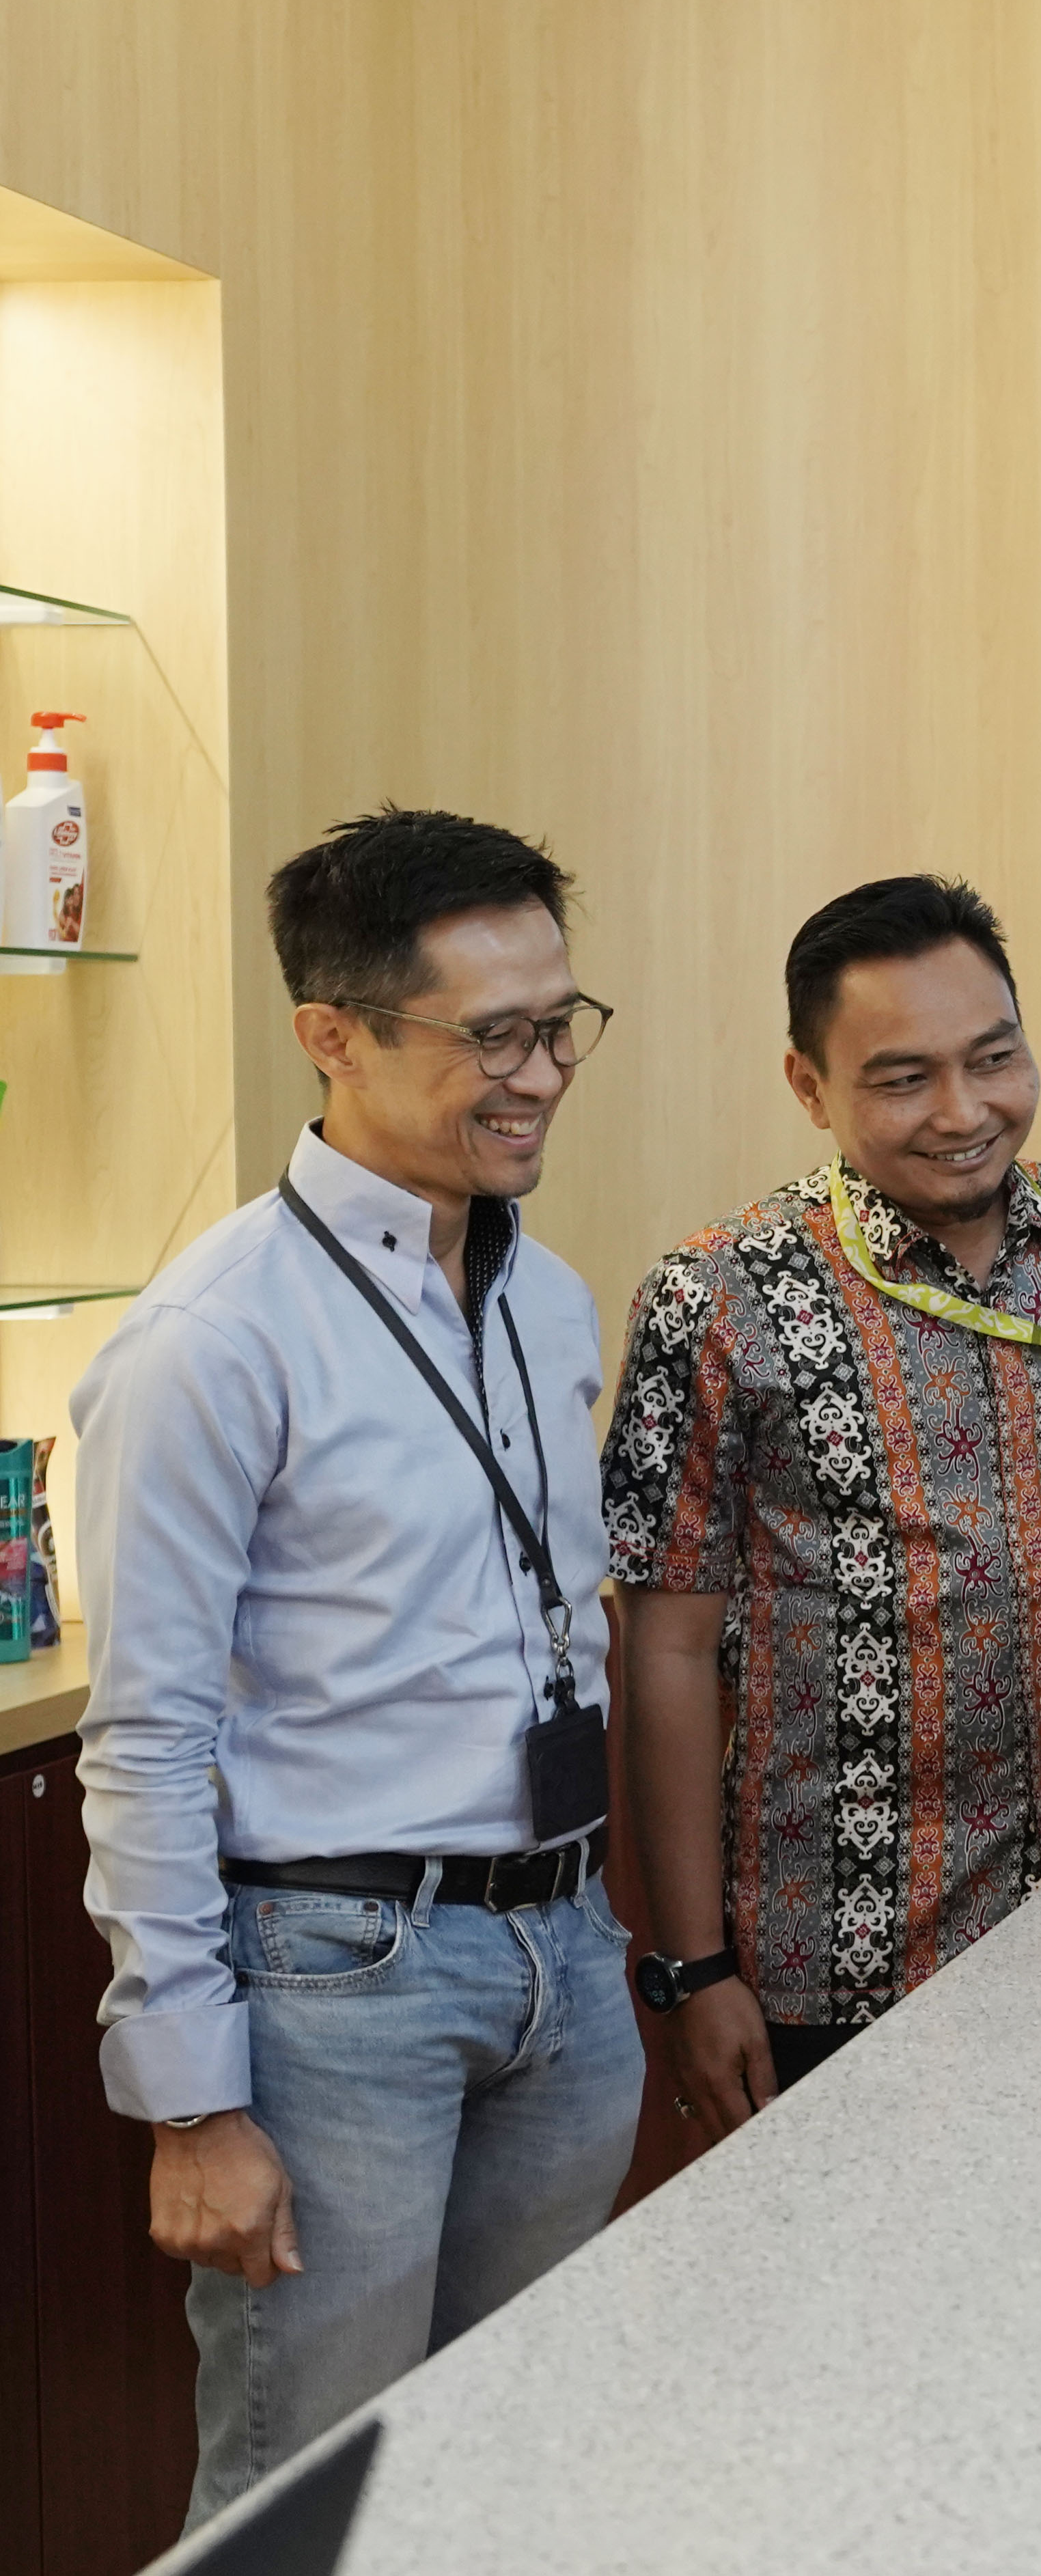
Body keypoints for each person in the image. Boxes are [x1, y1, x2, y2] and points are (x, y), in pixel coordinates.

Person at [72, 809, 638, 2524]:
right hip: (339, 1978)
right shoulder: (212, 1336)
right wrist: (191, 2107)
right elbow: (147, 1735)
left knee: (515, 2479)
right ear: (332, 1033)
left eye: (559, 1025)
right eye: (491, 1035)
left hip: (565, 1948)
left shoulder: (547, 1299)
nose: (538, 1076)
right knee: (305, 2505)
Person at [602, 876, 1041, 2133]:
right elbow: (668, 1646)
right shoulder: (718, 1295)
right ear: (809, 1086)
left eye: (994, 1058)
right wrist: (693, 1966)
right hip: (844, 1943)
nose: (965, 1112)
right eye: (904, 1078)